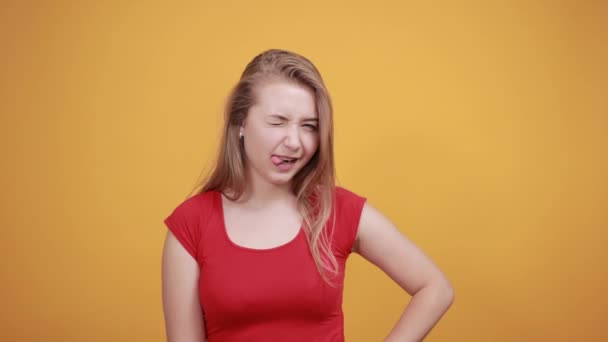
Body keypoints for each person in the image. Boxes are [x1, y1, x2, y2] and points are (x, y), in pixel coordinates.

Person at [161, 49, 454, 342]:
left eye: (309, 126)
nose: (294, 142)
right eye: (277, 122)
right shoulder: (192, 224)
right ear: (240, 124)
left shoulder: (338, 209)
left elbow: (435, 287)